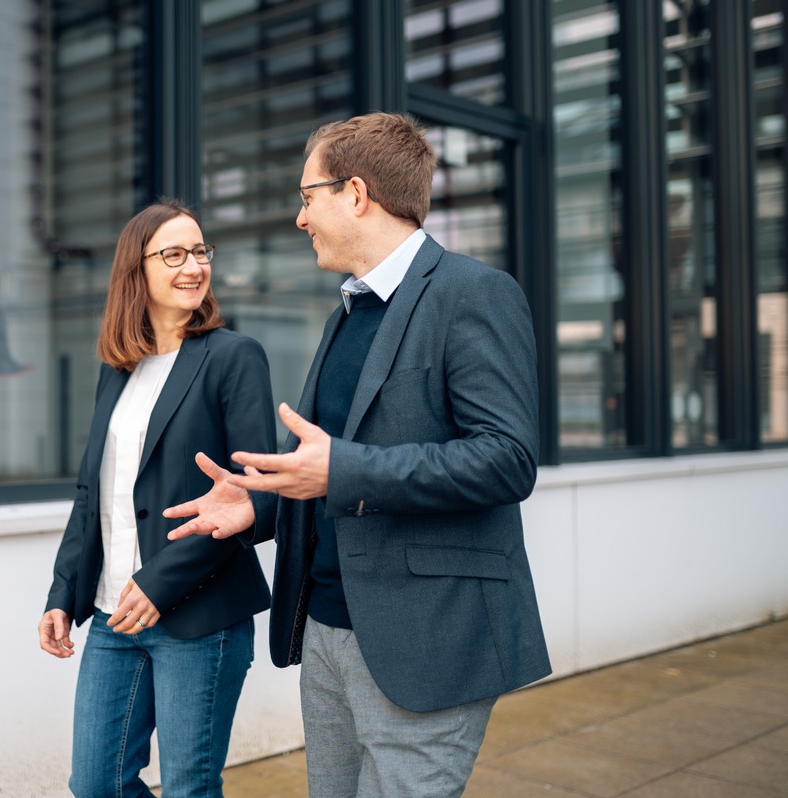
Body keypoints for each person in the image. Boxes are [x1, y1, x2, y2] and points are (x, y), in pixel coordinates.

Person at [165, 113, 551, 796]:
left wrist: (345, 471)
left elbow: (507, 458)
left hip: (426, 638)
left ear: (356, 193)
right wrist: (254, 502)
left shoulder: (473, 293)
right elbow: (317, 467)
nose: (299, 218)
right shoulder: (348, 310)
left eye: (307, 196)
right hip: (327, 628)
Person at [38, 199, 276, 798]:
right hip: (115, 614)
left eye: (201, 252)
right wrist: (64, 592)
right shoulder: (118, 368)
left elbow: (256, 498)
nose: (193, 265)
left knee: (190, 788)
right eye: (174, 254)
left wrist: (160, 582)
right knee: (97, 784)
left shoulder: (233, 358)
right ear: (135, 270)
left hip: (198, 617)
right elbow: (94, 491)